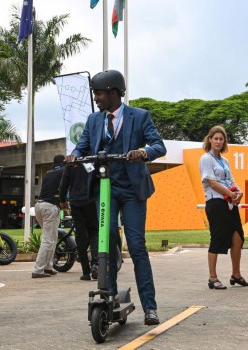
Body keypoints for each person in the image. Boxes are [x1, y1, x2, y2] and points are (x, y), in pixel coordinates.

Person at [68, 69, 166, 326]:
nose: (96, 98)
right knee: (107, 239)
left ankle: (150, 307)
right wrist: (74, 154)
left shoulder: (140, 116)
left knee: (136, 246)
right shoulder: (93, 120)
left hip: (133, 190)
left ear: (113, 93)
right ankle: (108, 294)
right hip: (105, 188)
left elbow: (159, 146)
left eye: (98, 93)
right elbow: (84, 145)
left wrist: (142, 152)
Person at [200, 125, 248, 290]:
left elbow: (231, 180)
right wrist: (231, 193)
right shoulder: (206, 158)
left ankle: (236, 274)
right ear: (210, 139)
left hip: (230, 202)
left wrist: (239, 191)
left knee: (238, 237)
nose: (218, 142)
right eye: (216, 139)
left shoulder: (225, 160)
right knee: (217, 238)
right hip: (216, 203)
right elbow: (212, 182)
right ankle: (212, 278)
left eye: (221, 139)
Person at [59, 163, 99, 281]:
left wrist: (62, 199)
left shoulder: (71, 163)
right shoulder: (91, 160)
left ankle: (85, 272)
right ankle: (95, 264)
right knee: (94, 232)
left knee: (80, 235)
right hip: (90, 200)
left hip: (76, 202)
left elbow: (64, 183)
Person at [31, 155, 65, 279]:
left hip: (39, 206)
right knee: (48, 239)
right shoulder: (62, 172)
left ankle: (48, 267)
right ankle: (38, 270)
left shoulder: (48, 173)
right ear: (63, 162)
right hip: (50, 207)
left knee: (52, 237)